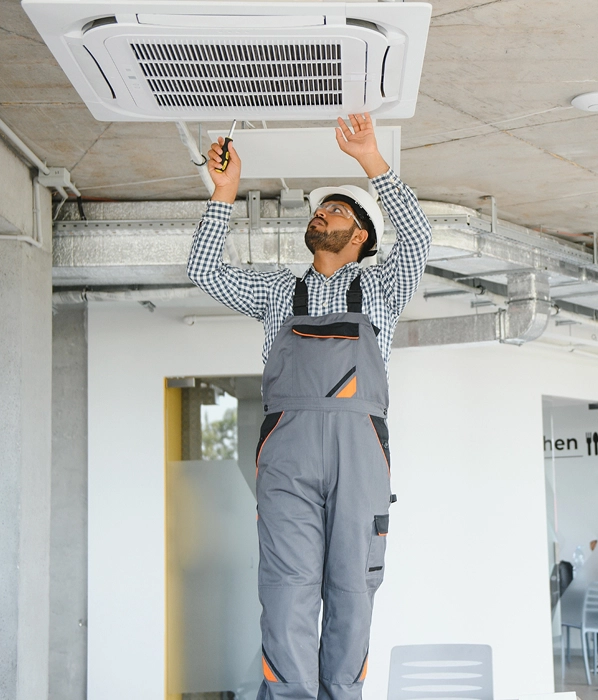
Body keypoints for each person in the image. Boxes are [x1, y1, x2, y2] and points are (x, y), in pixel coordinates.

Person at [187, 113, 432, 700]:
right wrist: (224, 194)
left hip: (360, 459)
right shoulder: (276, 289)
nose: (321, 214)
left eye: (338, 212)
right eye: (320, 210)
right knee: (287, 590)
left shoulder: (381, 289)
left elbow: (419, 239)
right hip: (290, 462)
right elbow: (202, 270)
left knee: (352, 589)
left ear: (361, 239)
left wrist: (372, 161)